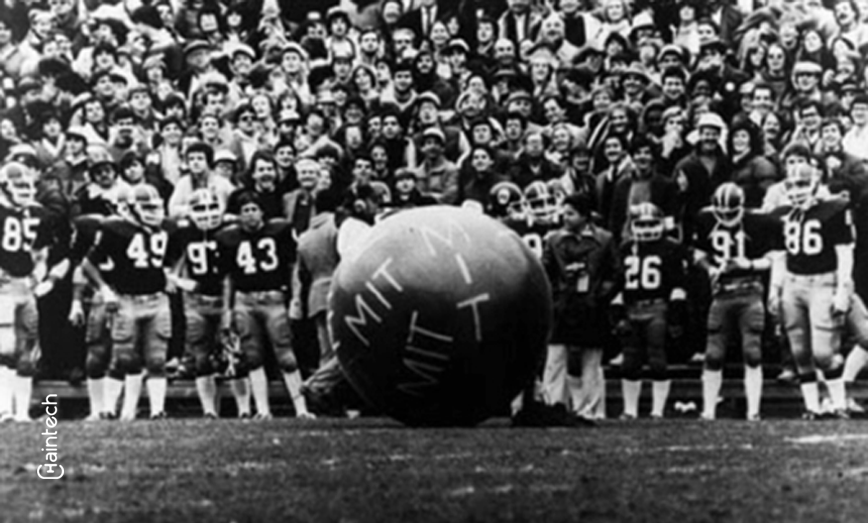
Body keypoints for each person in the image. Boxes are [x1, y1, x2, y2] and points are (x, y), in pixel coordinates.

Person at [216, 191, 313, 420]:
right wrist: (227, 310)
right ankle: (262, 409)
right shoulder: (228, 238)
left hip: (274, 298)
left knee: (286, 355)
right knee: (253, 356)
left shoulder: (279, 231)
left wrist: (295, 298)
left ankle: (301, 408)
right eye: (245, 210)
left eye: (253, 209)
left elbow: (293, 269)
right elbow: (228, 278)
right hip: (244, 300)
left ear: (262, 212)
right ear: (238, 215)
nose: (250, 214)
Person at [80, 184, 173, 421]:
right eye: (148, 208)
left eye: (157, 206)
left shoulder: (168, 229)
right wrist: (105, 290)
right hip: (124, 298)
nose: (155, 212)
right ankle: (108, 410)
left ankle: (156, 411)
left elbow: (173, 257)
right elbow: (87, 264)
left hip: (156, 298)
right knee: (122, 357)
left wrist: (172, 275)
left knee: (157, 358)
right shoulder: (113, 229)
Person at [769, 164, 853, 419]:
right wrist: (775, 288)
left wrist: (843, 289)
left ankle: (838, 403)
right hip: (793, 284)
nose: (796, 191)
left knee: (823, 352)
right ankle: (812, 407)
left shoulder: (834, 209)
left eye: (802, 185)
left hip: (822, 283)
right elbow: (780, 257)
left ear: (815, 183)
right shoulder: (782, 214)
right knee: (800, 352)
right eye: (792, 186)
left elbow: (845, 253)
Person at [693, 183, 782, 420]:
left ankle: (753, 411)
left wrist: (748, 264)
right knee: (713, 353)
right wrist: (711, 269)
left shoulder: (759, 221)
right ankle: (708, 410)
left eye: (731, 213)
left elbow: (776, 257)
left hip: (750, 290)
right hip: (721, 293)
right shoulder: (704, 218)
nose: (725, 218)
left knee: (752, 352)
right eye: (720, 213)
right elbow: (698, 254)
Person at [166, 189, 251, 419]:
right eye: (201, 209)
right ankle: (209, 410)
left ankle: (244, 409)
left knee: (235, 354)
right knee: (201, 356)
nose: (207, 213)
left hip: (227, 299)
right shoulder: (182, 232)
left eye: (212, 207)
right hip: (196, 301)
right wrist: (183, 282)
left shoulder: (231, 231)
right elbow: (167, 266)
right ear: (190, 211)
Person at [541, 192, 617, 420]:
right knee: (555, 359)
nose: (565, 217)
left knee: (591, 361)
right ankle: (554, 406)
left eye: (571, 213)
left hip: (590, 307)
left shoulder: (604, 240)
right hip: (562, 307)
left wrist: (599, 296)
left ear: (585, 216)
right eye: (564, 213)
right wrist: (556, 297)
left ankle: (589, 410)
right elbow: (546, 272)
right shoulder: (553, 240)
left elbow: (615, 274)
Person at [611, 202, 688, 419]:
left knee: (657, 359)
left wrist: (675, 316)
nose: (646, 230)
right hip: (632, 307)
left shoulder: (671, 247)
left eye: (652, 224)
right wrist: (617, 313)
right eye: (641, 225)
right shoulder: (626, 248)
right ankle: (630, 410)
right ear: (632, 226)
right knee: (630, 361)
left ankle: (657, 410)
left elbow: (678, 285)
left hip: (658, 307)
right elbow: (619, 283)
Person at [0, 163, 57, 422]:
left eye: (28, 186)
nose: (25, 190)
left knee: (27, 350)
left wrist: (38, 275)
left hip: (25, 286)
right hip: (3, 287)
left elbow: (42, 254)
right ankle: (3, 408)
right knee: (4, 348)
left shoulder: (39, 213)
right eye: (19, 186)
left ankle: (21, 413)